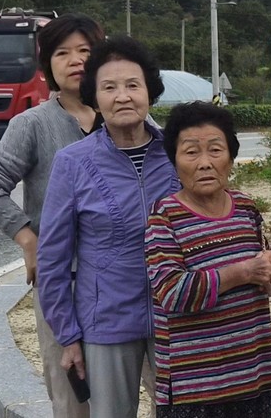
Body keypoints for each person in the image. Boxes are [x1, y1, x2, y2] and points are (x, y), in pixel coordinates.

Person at [37, 36, 181, 418]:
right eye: (109, 87)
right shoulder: (72, 162)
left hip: (176, 316)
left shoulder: (177, 153)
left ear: (149, 92)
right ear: (95, 98)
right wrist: (68, 336)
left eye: (133, 85)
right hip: (106, 322)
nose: (123, 97)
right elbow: (52, 260)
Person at [0, 13, 104, 418]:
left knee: (148, 383)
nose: (75, 60)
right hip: (62, 282)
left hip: (125, 279)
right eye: (62, 53)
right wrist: (29, 240)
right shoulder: (31, 124)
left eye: (85, 50)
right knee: (72, 395)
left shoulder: (125, 115)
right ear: (47, 66)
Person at [144, 101, 271, 418]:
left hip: (253, 375)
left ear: (231, 158)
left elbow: (263, 275)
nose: (205, 163)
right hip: (193, 388)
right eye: (191, 152)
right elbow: (172, 293)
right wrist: (242, 272)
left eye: (216, 150)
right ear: (174, 161)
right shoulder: (164, 216)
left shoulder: (246, 207)